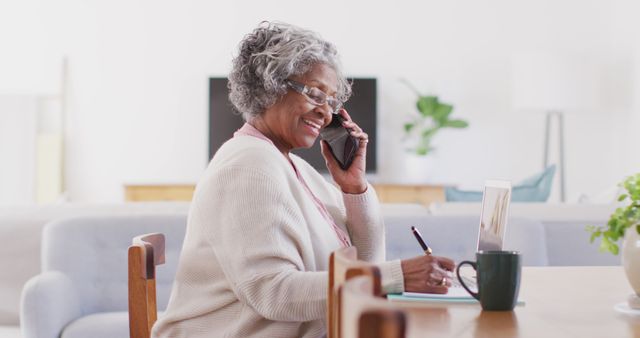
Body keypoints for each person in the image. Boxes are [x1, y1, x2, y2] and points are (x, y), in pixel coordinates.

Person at [152, 21, 455, 338]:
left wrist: (354, 188)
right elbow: (274, 293)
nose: (326, 113)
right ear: (270, 87)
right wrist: (396, 276)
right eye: (314, 93)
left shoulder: (295, 169)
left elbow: (365, 266)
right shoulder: (248, 164)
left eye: (332, 101)